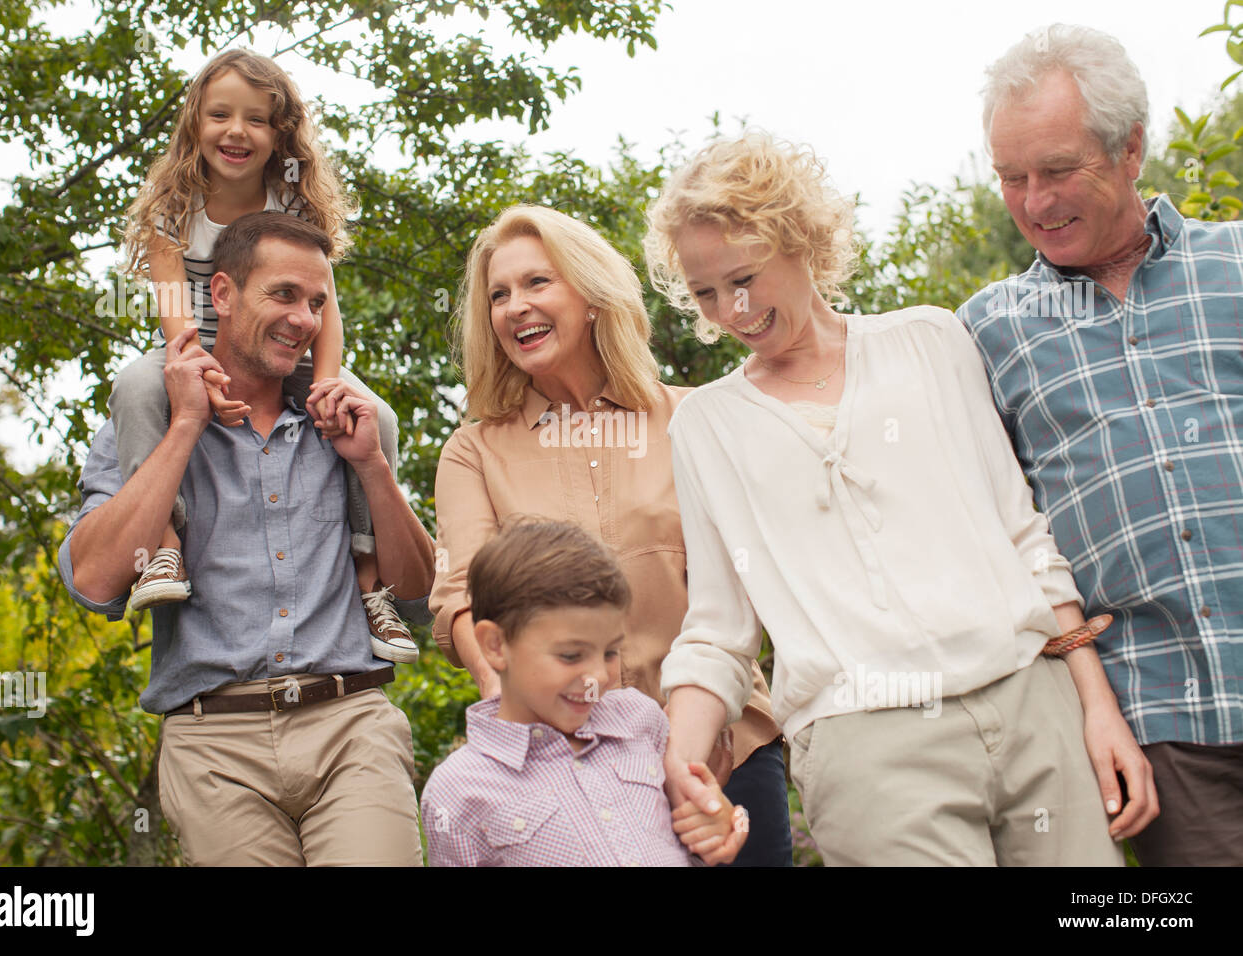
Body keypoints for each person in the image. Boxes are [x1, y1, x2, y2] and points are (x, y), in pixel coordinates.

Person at [646, 133, 1157, 866]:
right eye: (705, 291)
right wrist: (684, 762)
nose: (733, 308)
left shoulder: (930, 341)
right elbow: (719, 630)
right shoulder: (706, 425)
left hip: (1032, 702)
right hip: (867, 746)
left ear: (801, 242)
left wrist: (1096, 706)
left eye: (746, 276)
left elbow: (1025, 536)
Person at [58, 212, 435, 865]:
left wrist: (373, 468)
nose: (304, 319)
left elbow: (418, 597)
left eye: (317, 303)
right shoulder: (150, 415)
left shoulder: (346, 422)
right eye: (284, 295)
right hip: (213, 747)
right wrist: (184, 430)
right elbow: (93, 583)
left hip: (350, 726)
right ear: (224, 295)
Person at [430, 203, 792, 865]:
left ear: (593, 296)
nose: (516, 307)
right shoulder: (473, 452)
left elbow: (756, 584)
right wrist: (517, 714)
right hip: (569, 767)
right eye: (499, 295)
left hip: (725, 751)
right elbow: (462, 601)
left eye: (538, 283)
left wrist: (701, 725)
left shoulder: (698, 419)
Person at [958, 23, 1242, 866]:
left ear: (1130, 149)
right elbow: (1004, 534)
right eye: (1012, 178)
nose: (1035, 202)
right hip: (1162, 721)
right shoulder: (987, 331)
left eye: (1057, 170)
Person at [115, 48, 416, 662]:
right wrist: (197, 376)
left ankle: (369, 577)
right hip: (198, 345)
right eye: (220, 115)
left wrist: (326, 384)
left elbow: (323, 309)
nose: (236, 131)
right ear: (196, 123)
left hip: (289, 350)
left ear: (280, 134)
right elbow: (176, 314)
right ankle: (163, 542)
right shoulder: (172, 208)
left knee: (375, 417)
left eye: (256, 119)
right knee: (137, 387)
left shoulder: (292, 204)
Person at [421, 519, 747, 866]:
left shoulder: (641, 721)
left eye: (609, 652)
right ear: (496, 645)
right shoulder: (458, 791)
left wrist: (711, 825)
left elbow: (686, 841)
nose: (596, 677)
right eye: (571, 655)